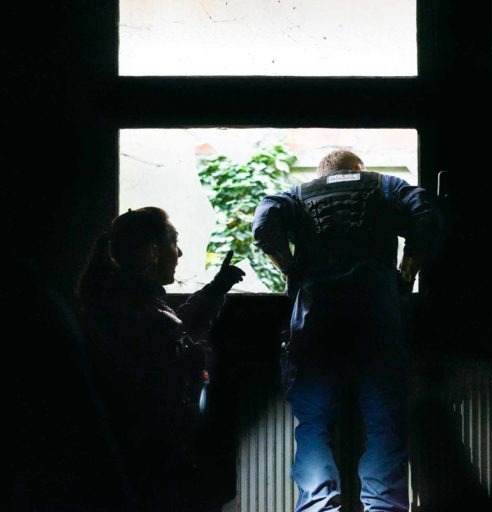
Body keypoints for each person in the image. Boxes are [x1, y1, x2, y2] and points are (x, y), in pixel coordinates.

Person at [252, 149, 442, 512]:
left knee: (313, 425)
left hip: (315, 324)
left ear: (322, 173)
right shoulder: (385, 187)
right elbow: (425, 213)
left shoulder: (297, 195)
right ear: (358, 169)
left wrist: (290, 268)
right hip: (376, 319)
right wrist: (407, 271)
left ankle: (319, 506)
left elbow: (263, 224)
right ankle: (385, 507)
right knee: (384, 422)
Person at [77, 206, 245, 512]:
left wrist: (217, 288)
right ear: (153, 251)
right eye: (173, 242)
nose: (179, 253)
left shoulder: (127, 301)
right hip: (154, 461)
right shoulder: (134, 311)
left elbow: (175, 329)